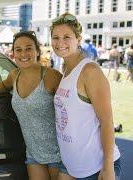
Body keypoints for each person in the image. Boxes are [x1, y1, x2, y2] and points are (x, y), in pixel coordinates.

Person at [0, 31, 63, 180]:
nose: (24, 53)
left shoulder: (51, 76)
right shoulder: (14, 75)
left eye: (29, 48)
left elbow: (72, 110)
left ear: (37, 50)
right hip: (34, 154)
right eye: (18, 49)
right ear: (13, 54)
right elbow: (5, 85)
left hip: (59, 154)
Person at [50, 12, 121, 180]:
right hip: (71, 165)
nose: (60, 43)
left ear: (78, 39)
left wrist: (108, 167)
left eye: (66, 36)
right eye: (55, 37)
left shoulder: (90, 71)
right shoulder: (66, 69)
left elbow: (107, 121)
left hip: (96, 167)